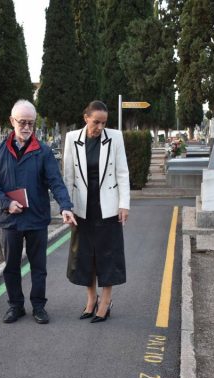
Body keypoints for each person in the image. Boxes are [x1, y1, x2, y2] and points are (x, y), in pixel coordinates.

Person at [0, 99, 77, 324]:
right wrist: (5, 202)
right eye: (22, 122)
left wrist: (65, 206)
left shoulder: (42, 152)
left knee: (39, 267)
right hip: (10, 219)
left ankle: (38, 306)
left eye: (31, 123)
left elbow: (55, 182)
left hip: (36, 218)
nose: (26, 128)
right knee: (11, 267)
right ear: (11, 121)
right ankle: (15, 306)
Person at [62, 100, 130, 323]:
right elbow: (68, 177)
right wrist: (67, 207)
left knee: (107, 255)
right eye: (96, 122)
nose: (100, 127)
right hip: (83, 208)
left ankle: (105, 302)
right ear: (86, 118)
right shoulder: (72, 139)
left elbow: (122, 172)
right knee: (85, 257)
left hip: (108, 207)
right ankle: (91, 300)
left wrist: (124, 204)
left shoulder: (115, 137)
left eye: (104, 123)